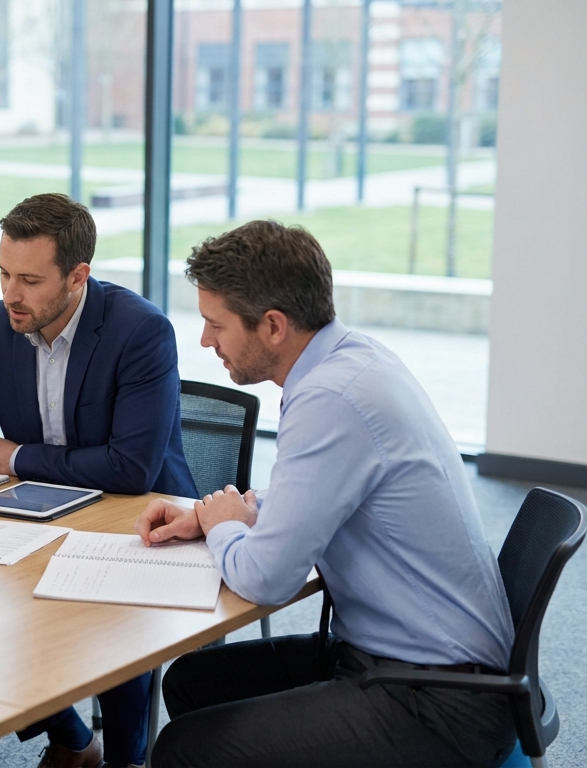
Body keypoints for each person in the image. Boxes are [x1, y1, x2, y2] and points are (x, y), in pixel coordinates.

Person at [137, 220, 517, 767]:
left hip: (437, 699)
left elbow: (267, 578)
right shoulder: (352, 360)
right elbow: (328, 489)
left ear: (272, 325)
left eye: (214, 324)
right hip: (411, 663)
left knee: (183, 750)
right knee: (196, 681)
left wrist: (224, 525)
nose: (205, 340)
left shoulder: (330, 398)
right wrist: (219, 514)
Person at [0, 193, 198, 768]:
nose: (10, 294)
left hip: (140, 521)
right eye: (3, 273)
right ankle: (76, 742)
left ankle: (128, 757)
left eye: (28, 279)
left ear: (78, 276)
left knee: (109, 627)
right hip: (36, 515)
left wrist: (18, 457)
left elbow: (131, 469)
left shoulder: (140, 330)